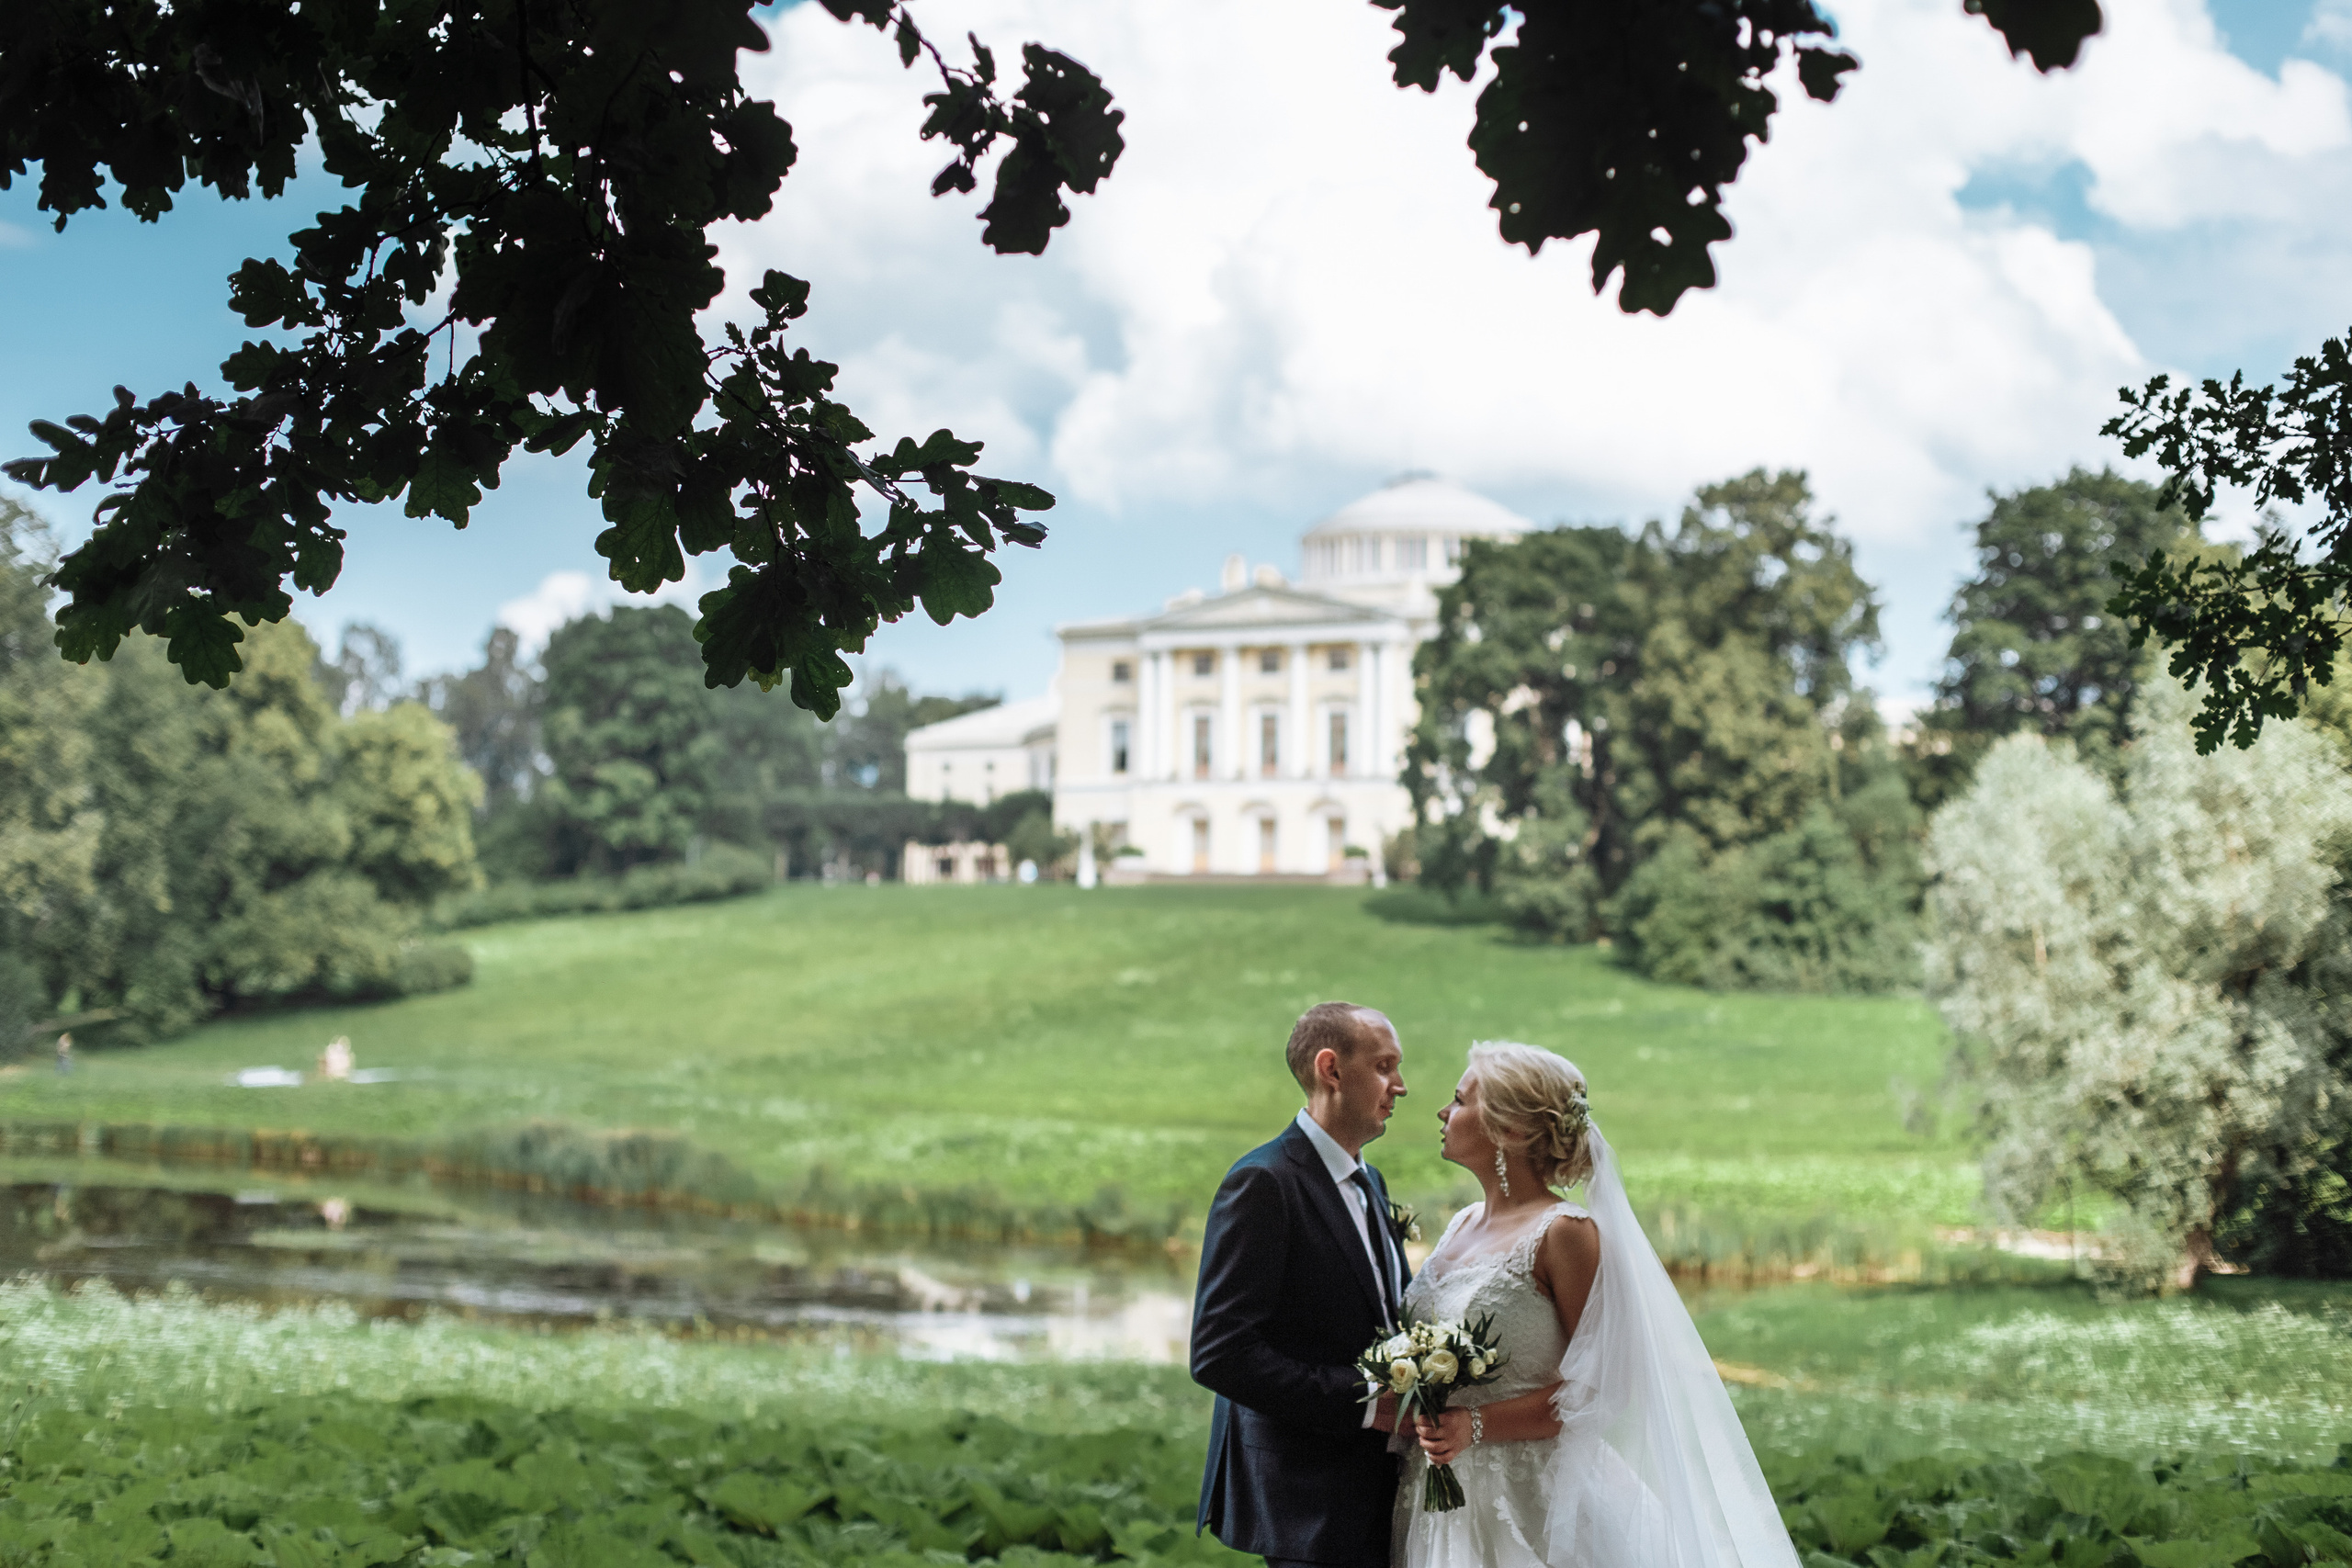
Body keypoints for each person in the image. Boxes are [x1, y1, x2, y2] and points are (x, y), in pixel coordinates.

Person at [1395, 1042, 1802, 1568]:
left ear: (1510, 1131)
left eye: (1460, 1100)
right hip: (1437, 1496)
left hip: (1536, 1502)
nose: (1443, 1112)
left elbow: (1605, 1385)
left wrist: (1473, 1424)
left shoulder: (1565, 1233)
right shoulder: (1460, 1224)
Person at [1193, 1001, 1414, 1568]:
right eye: (1385, 1066)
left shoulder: (1371, 1179)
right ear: (1331, 1070)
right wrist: (1369, 1405)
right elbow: (1220, 1354)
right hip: (1306, 1502)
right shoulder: (1263, 1183)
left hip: (1378, 1489)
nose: (1401, 1086)